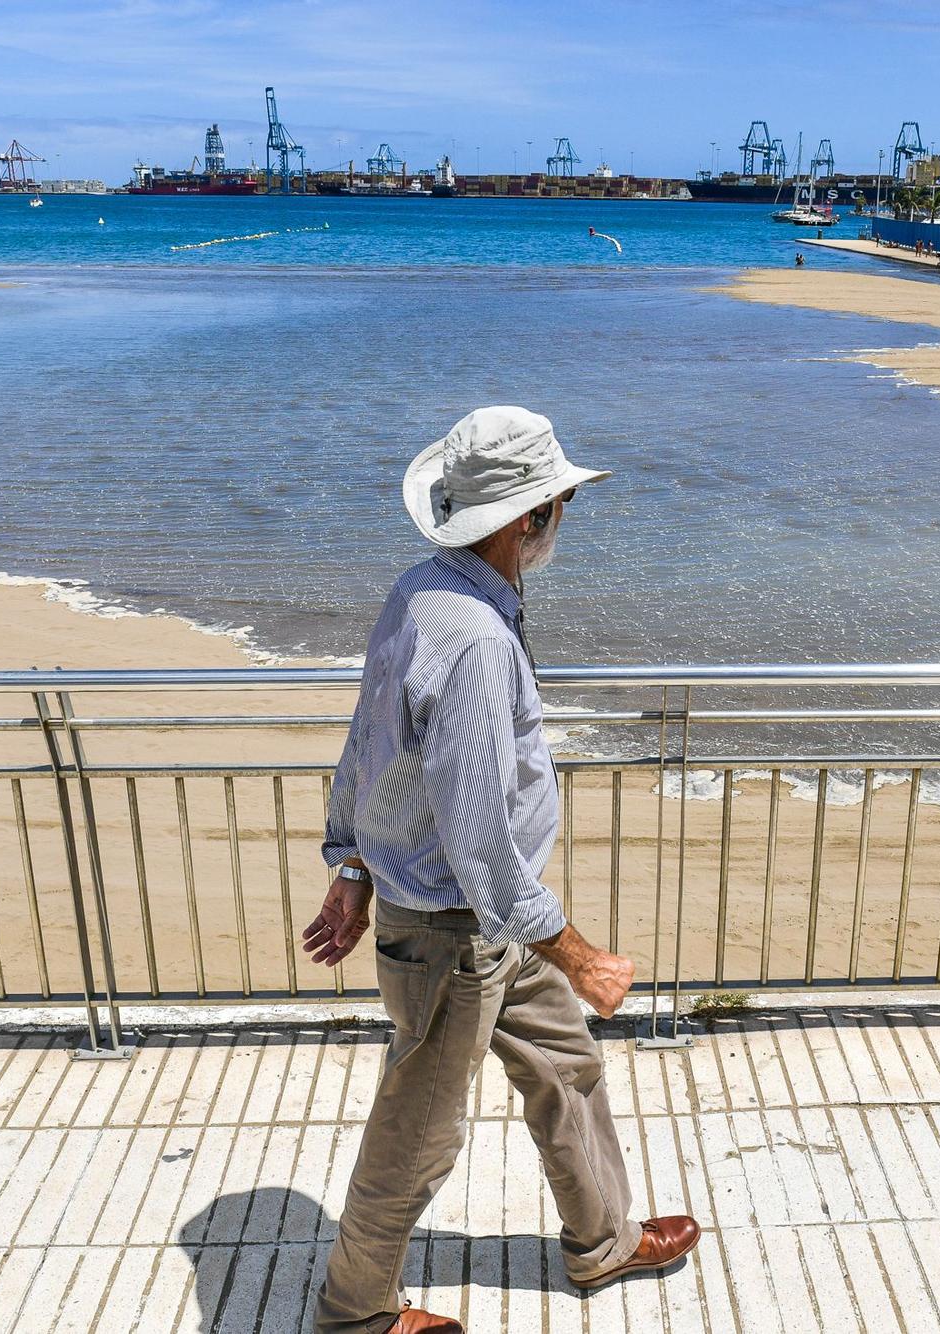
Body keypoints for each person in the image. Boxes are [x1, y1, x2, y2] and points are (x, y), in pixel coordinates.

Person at [306, 406, 700, 1334]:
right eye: (560, 502)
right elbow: (481, 838)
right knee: (417, 1134)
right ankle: (355, 1314)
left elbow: (372, 747)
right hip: (459, 930)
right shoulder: (478, 641)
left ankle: (602, 1241)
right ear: (531, 519)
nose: (565, 515)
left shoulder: (422, 591)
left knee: (566, 1067)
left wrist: (353, 863)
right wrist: (581, 954)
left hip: (489, 920)